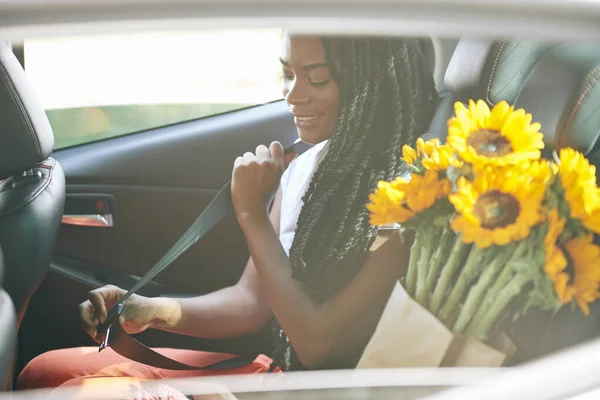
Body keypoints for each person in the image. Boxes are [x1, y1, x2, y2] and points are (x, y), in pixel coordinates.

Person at [17, 32, 438, 389]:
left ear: (372, 81)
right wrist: (148, 309)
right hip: (274, 372)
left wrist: (251, 214)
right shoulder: (309, 167)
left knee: (75, 391)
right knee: (43, 371)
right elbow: (251, 301)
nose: (293, 95)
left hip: (316, 388)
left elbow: (318, 344)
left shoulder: (410, 195)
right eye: (288, 74)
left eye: (318, 78)